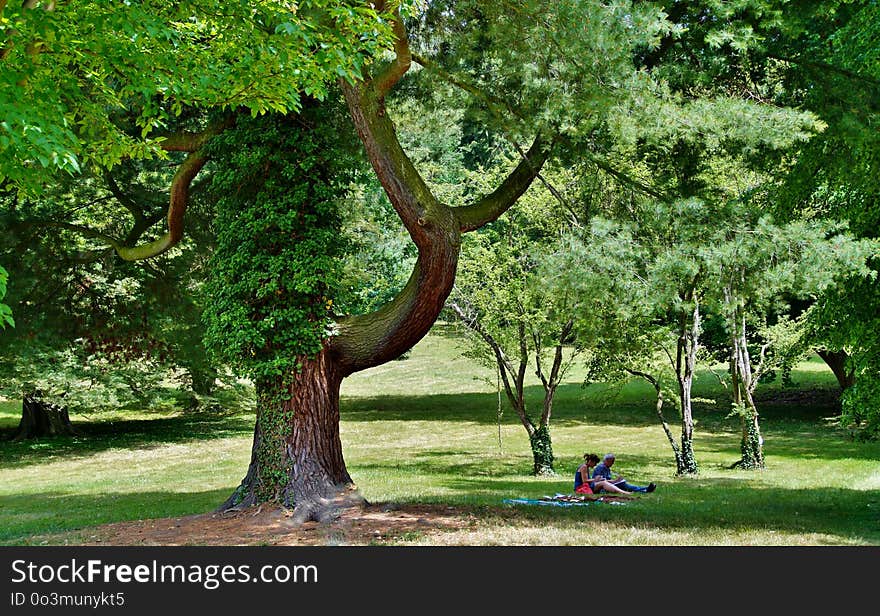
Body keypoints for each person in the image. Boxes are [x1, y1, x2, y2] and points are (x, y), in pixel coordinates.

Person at [592, 453, 656, 493]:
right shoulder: (600, 467)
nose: (612, 463)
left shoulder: (606, 467)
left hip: (607, 486)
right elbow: (601, 481)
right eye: (611, 462)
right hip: (602, 488)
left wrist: (617, 480)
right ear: (606, 460)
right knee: (624, 485)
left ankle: (645, 489)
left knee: (625, 485)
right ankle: (645, 489)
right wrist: (615, 481)